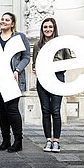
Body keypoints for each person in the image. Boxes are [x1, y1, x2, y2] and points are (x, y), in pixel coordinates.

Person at [0, 12, 30, 153]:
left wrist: (17, 70)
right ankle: (6, 140)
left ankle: (18, 141)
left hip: (12, 80)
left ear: (12, 24)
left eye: (7, 20)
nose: (3, 21)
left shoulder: (19, 37)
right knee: (2, 111)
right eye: (2, 19)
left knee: (12, 110)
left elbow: (26, 57)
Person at [32, 18, 71, 153]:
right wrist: (35, 69)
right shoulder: (38, 45)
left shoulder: (62, 44)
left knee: (55, 110)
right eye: (45, 27)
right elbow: (34, 62)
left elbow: (69, 61)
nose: (47, 29)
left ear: (54, 28)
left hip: (58, 78)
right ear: (42, 30)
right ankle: (48, 140)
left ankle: (56, 141)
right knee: (45, 110)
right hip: (42, 80)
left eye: (50, 27)